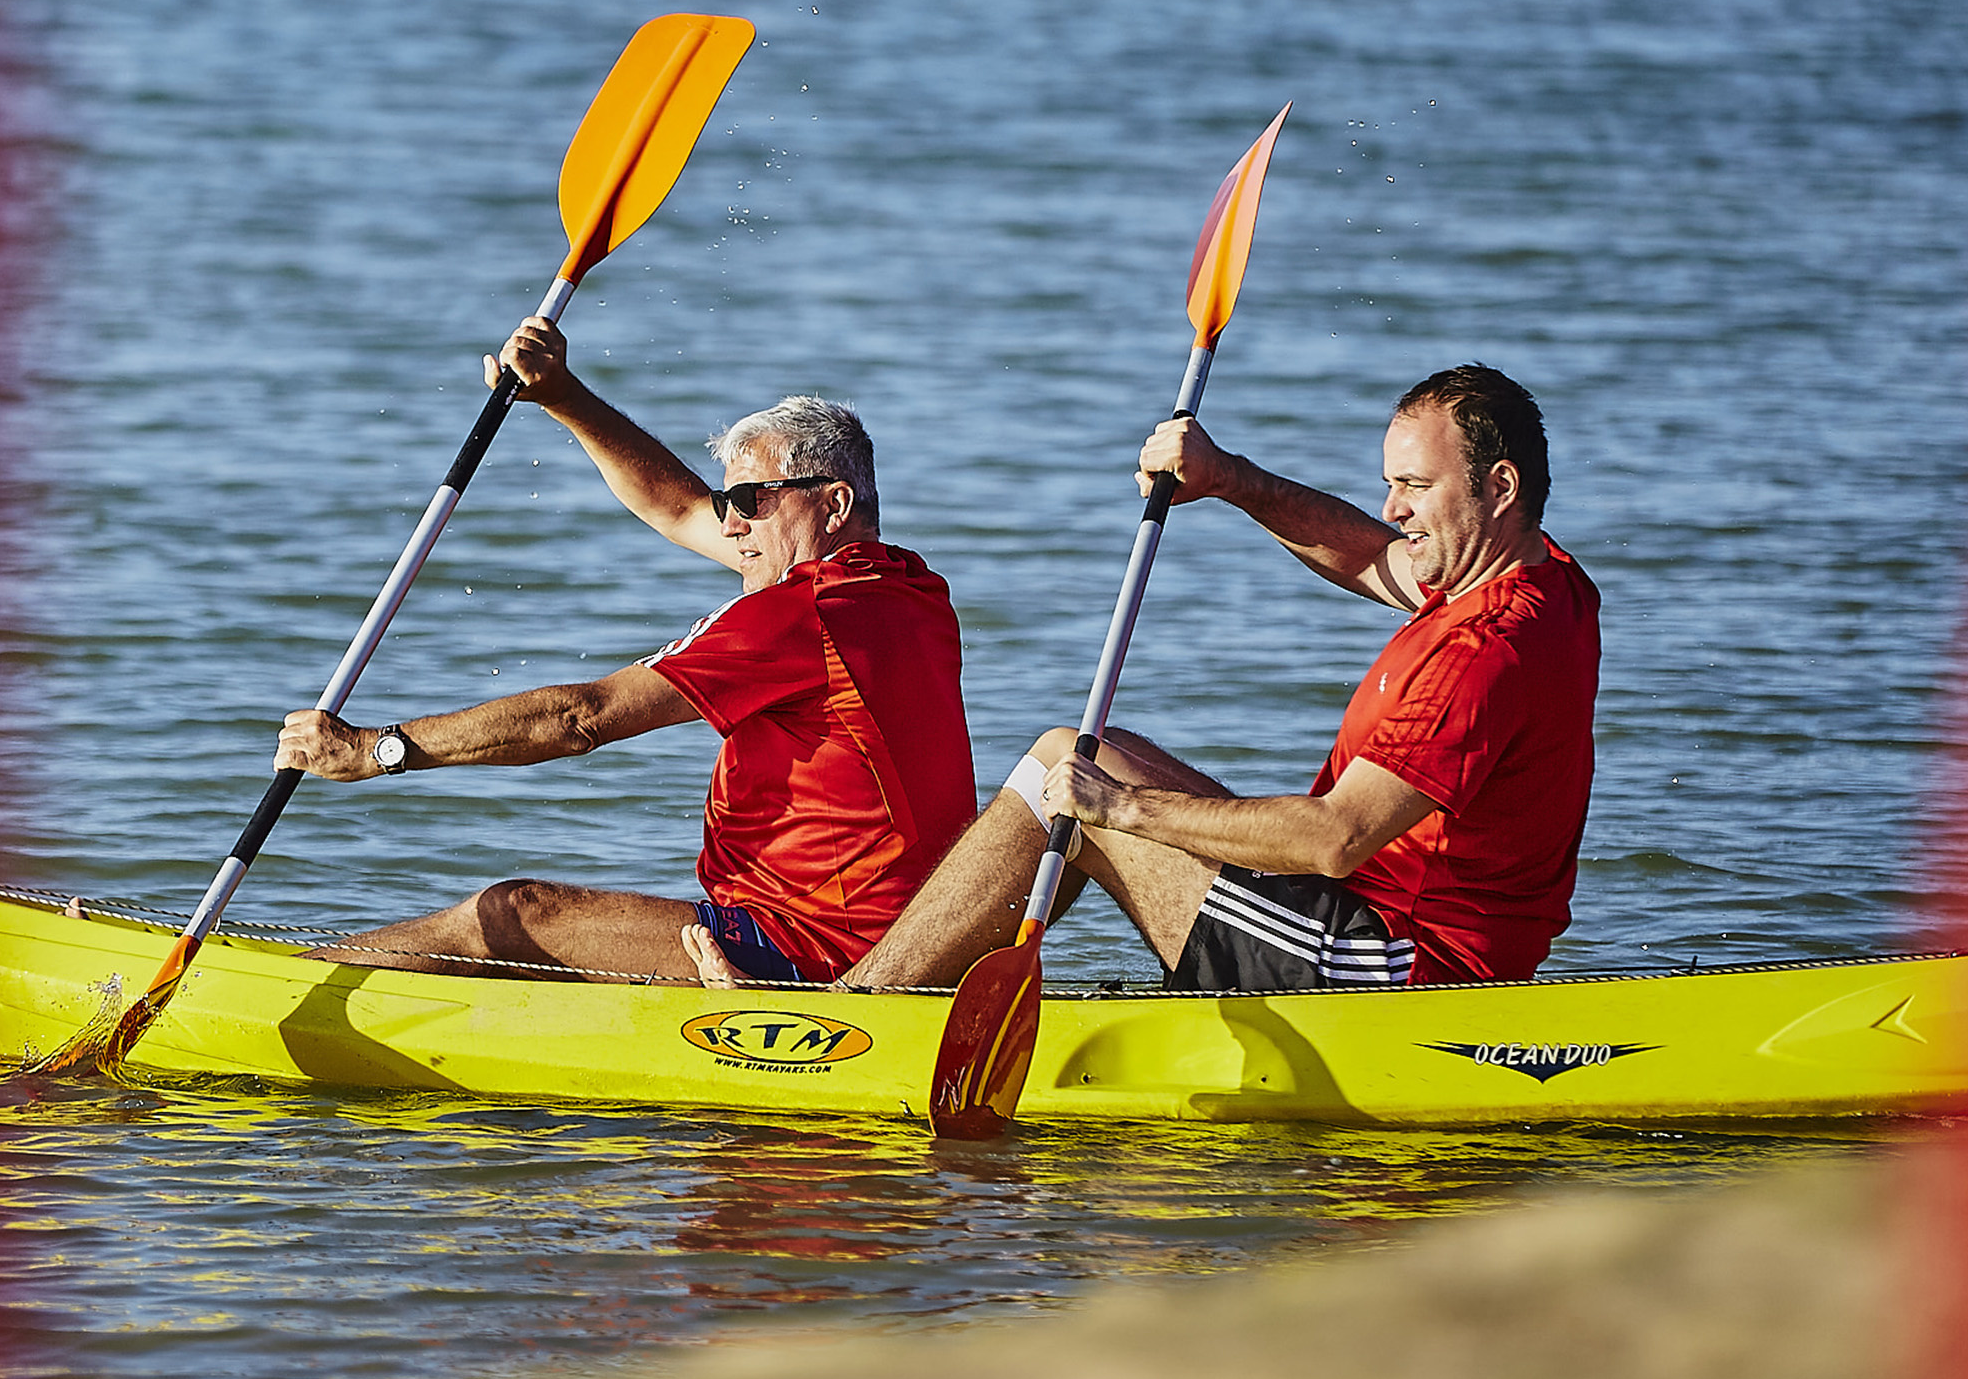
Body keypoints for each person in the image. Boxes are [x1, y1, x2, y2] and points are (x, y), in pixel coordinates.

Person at [841, 365, 1598, 995]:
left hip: (1387, 969)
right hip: (1388, 932)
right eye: (1389, 482)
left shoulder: (1484, 650)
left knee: (1069, 779)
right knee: (1075, 752)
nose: (1392, 508)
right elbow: (1369, 556)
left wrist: (1125, 809)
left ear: (1500, 485)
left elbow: (1338, 837)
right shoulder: (1542, 582)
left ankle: (858, 1015)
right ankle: (916, 999)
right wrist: (1227, 477)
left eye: (1414, 485)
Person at [277, 319, 978, 985]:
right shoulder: (911, 590)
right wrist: (562, 393)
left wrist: (375, 749)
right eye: (726, 499)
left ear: (833, 502)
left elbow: (581, 718)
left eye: (748, 500)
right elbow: (675, 506)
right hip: (903, 932)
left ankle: (270, 991)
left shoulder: (799, 614)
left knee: (511, 914)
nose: (730, 522)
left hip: (803, 947)